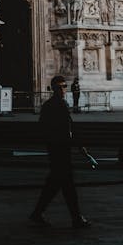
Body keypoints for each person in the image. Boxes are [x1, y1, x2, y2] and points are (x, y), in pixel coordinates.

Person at [29, 75, 92, 229]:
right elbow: (44, 127)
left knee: (55, 184)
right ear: (53, 89)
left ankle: (38, 213)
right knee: (66, 185)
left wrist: (78, 143)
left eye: (64, 86)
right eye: (59, 87)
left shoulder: (62, 104)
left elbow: (70, 125)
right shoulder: (50, 105)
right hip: (58, 149)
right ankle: (76, 218)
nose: (63, 90)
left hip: (63, 148)